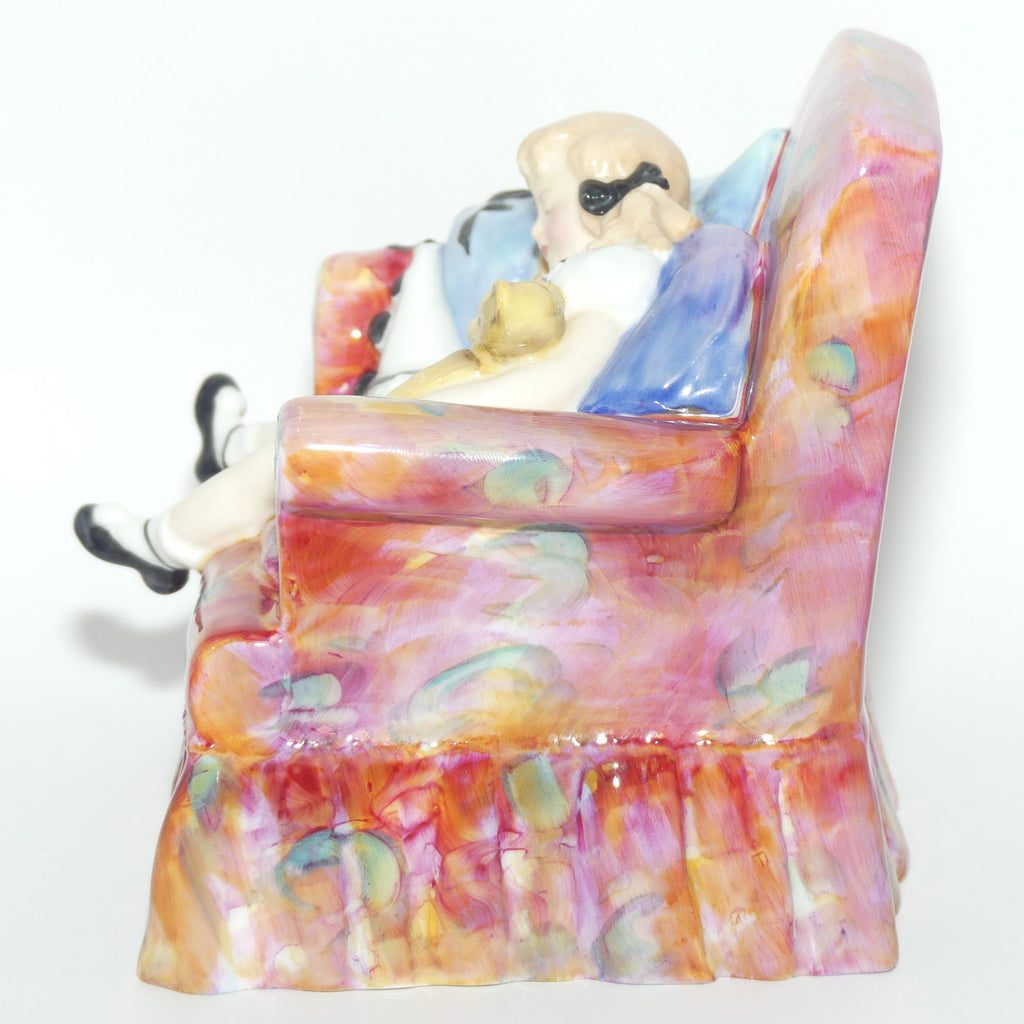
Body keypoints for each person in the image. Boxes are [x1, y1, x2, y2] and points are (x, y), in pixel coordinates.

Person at [75, 113, 702, 593]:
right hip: (501, 422)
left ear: (598, 201)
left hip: (510, 439)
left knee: (305, 450)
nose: (537, 231)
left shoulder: (616, 270)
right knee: (337, 418)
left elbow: (566, 377)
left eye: (547, 208)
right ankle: (234, 447)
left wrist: (440, 407)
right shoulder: (612, 267)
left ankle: (164, 545)